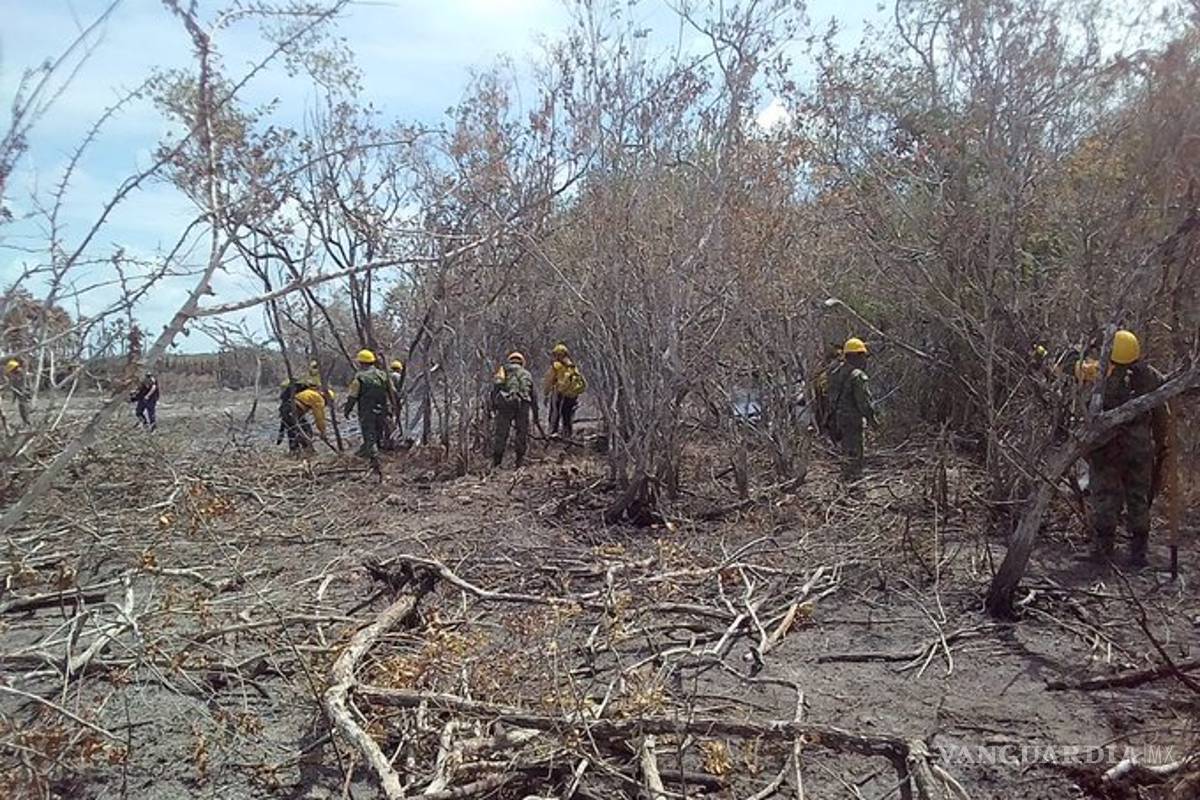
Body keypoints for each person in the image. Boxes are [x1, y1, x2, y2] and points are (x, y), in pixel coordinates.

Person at [1085, 329, 1168, 567]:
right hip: (1139, 449)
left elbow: (1071, 369)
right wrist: (1161, 443)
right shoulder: (1149, 376)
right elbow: (1161, 413)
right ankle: (1138, 552)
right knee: (1138, 497)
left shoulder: (1099, 372)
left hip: (1106, 448)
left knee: (1104, 496)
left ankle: (1103, 550)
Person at [826, 337, 877, 480]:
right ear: (856, 356)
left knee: (845, 453)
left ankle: (845, 483)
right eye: (863, 356)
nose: (865, 360)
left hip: (837, 420)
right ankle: (854, 485)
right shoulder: (857, 376)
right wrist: (873, 421)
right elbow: (863, 403)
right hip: (853, 422)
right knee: (855, 456)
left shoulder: (834, 372)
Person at [491, 351, 540, 468]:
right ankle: (519, 462)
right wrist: (535, 415)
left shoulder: (503, 370)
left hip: (505, 404)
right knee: (521, 433)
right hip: (523, 404)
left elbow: (496, 388)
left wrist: (493, 405)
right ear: (522, 362)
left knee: (501, 434)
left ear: (510, 360)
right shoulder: (527, 374)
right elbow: (534, 396)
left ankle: (497, 463)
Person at [342, 349, 389, 462]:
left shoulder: (359, 378)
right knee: (378, 431)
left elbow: (353, 396)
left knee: (369, 432)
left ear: (361, 363)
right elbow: (392, 391)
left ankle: (374, 457)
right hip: (382, 408)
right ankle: (372, 450)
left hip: (366, 410)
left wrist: (347, 410)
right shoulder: (383, 375)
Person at [542, 343, 586, 438]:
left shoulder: (556, 366)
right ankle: (568, 434)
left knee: (555, 414)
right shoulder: (572, 366)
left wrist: (546, 394)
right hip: (572, 395)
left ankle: (553, 434)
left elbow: (548, 381)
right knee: (567, 416)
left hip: (559, 394)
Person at [277, 380, 329, 453]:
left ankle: (296, 451)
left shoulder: (311, 392)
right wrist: (323, 431)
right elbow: (319, 417)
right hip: (292, 410)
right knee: (304, 430)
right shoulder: (319, 399)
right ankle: (306, 451)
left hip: (286, 409)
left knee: (293, 430)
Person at [4, 358, 31, 426]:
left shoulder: (24, 374)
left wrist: (27, 392)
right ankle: (25, 422)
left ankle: (27, 422)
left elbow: (28, 385)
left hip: (24, 394)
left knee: (24, 408)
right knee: (21, 408)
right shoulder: (13, 377)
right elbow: (13, 388)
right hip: (19, 394)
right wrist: (14, 398)